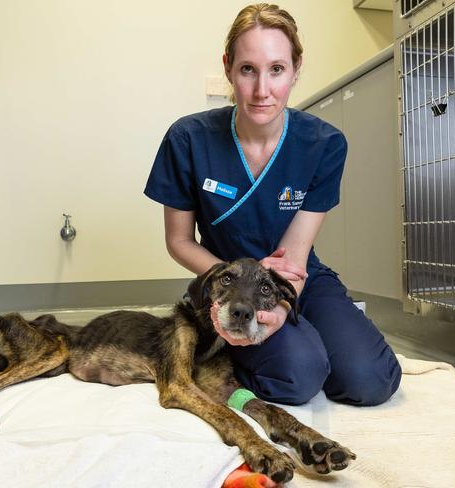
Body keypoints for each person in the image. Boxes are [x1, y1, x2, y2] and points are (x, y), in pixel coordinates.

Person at [144, 3, 401, 407]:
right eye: (248, 69)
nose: (262, 90)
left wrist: (282, 307)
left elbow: (295, 254)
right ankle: (233, 350)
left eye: (277, 69)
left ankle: (312, 340)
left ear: (296, 69)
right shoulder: (188, 139)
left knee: (371, 380)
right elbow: (179, 241)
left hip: (297, 276)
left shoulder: (324, 145)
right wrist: (226, 292)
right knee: (297, 377)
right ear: (229, 67)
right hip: (229, 285)